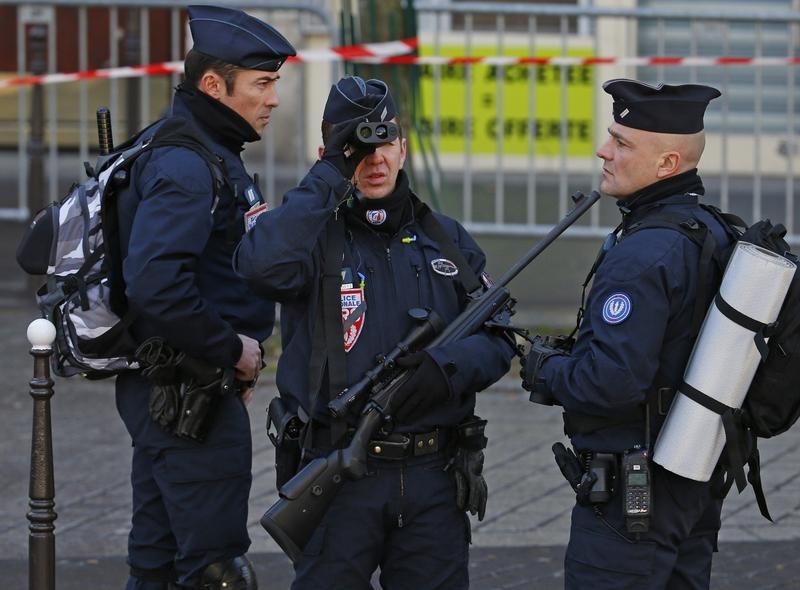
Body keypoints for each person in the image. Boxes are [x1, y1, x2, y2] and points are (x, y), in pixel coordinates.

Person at [234, 75, 515, 589]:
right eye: (356, 147)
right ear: (330, 154)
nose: (375, 158)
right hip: (339, 476)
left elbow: (499, 338)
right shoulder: (310, 238)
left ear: (403, 148)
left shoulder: (444, 238)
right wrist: (327, 177)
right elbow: (256, 267)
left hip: (433, 475)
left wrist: (443, 369)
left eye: (384, 141)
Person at [521, 79, 731, 589]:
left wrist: (544, 368)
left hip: (632, 495)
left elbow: (609, 384)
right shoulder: (714, 231)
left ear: (667, 165)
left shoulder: (643, 255)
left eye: (621, 142)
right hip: (693, 478)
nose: (603, 150)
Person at [113, 5, 295, 589]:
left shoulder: (205, 151)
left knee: (159, 556)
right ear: (214, 85)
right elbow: (157, 282)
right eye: (262, 84)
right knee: (215, 569)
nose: (272, 99)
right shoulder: (186, 164)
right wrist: (231, 350)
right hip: (187, 391)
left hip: (184, 389)